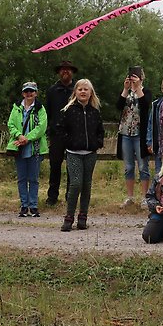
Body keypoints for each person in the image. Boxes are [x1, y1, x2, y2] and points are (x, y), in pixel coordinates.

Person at [56, 79, 105, 231]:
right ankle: (69, 216)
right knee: (75, 183)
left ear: (91, 93)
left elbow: (100, 131)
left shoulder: (95, 112)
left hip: (90, 153)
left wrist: (97, 143)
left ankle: (83, 216)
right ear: (75, 92)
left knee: (86, 185)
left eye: (86, 90)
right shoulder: (68, 111)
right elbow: (59, 130)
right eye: (80, 89)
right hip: (73, 153)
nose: (83, 92)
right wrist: (69, 142)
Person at [7, 81, 48, 218]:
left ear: (36, 93)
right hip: (19, 148)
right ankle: (24, 205)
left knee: (34, 178)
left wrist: (27, 138)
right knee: (22, 178)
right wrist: (19, 135)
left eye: (31, 91)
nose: (29, 94)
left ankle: (34, 205)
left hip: (34, 148)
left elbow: (41, 127)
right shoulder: (16, 107)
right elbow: (11, 124)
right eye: (26, 91)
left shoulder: (40, 109)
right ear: (23, 93)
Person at [116, 67, 152, 207]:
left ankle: (145, 197)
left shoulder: (145, 92)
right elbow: (118, 106)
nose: (133, 80)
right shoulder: (126, 93)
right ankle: (130, 196)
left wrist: (138, 88)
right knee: (128, 167)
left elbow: (145, 105)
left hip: (140, 134)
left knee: (143, 166)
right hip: (125, 133)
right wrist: (125, 89)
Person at [45, 60, 77, 206]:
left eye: (68, 69)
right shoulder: (52, 90)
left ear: (72, 72)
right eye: (63, 69)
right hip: (56, 133)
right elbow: (48, 112)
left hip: (73, 133)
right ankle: (52, 196)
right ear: (59, 72)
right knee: (55, 165)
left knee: (73, 166)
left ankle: (70, 196)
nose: (66, 72)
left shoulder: (78, 89)